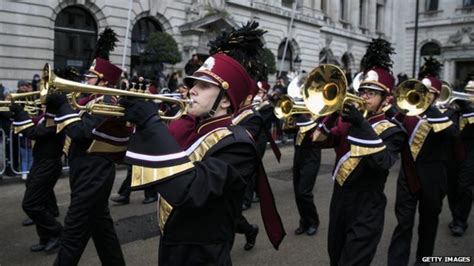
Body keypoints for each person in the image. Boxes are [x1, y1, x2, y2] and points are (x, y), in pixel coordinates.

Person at [120, 52, 285, 265]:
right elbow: (131, 156)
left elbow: (188, 190)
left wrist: (150, 121)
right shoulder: (190, 127)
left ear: (225, 100)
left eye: (204, 86)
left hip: (203, 254)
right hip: (172, 242)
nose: (193, 90)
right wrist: (130, 116)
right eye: (193, 83)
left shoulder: (239, 145)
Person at [314, 39, 406, 265]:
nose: (364, 96)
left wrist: (360, 124)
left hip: (368, 205)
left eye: (372, 93)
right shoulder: (349, 123)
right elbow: (320, 140)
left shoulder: (394, 131)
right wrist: (332, 112)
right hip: (340, 200)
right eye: (363, 91)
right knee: (335, 257)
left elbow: (383, 162)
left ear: (387, 100)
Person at [46, 58, 126, 265]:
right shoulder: (88, 100)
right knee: (103, 232)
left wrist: (63, 105)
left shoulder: (107, 102)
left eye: (90, 77)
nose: (85, 80)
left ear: (104, 82)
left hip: (95, 172)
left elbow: (80, 132)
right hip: (85, 170)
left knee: (72, 234)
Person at [388, 58, 457, 265]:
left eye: (428, 93)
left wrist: (432, 110)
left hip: (434, 178)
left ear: (437, 95)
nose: (423, 96)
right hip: (407, 177)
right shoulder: (407, 113)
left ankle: (423, 260)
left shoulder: (448, 114)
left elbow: (453, 136)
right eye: (421, 91)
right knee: (404, 224)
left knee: (428, 224)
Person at [10, 103, 65, 253]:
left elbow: (34, 133)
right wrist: (13, 113)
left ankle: (58, 232)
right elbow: (33, 123)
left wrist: (20, 112)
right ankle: (45, 237)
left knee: (30, 204)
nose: (41, 104)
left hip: (48, 164)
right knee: (41, 203)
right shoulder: (46, 117)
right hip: (41, 162)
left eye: (46, 103)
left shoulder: (56, 119)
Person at [447, 80, 474, 236]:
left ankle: (460, 221)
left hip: (471, 153)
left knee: (464, 187)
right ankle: (455, 215)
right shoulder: (456, 110)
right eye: (468, 92)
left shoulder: (469, 110)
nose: (469, 95)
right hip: (454, 153)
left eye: (472, 93)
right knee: (451, 187)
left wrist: (466, 107)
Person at [292, 114, 321, 236]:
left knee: (304, 192)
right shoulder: (300, 117)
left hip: (311, 157)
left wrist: (301, 117)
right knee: (298, 193)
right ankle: (304, 221)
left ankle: (313, 222)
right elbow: (286, 129)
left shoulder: (318, 117)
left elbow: (316, 133)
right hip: (298, 157)